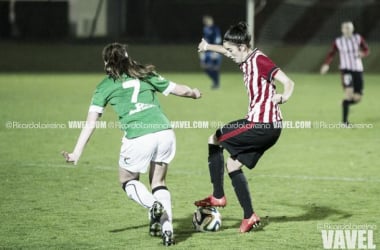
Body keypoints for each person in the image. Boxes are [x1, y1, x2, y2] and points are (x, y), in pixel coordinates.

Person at [62, 43, 201, 246]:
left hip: (138, 136)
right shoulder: (144, 73)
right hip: (164, 132)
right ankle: (167, 229)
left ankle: (153, 205)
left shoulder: (104, 86)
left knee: (127, 180)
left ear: (106, 63)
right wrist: (194, 93)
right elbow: (179, 90)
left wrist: (76, 152)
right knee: (158, 183)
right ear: (128, 58)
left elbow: (91, 123)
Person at [194, 22, 295, 233]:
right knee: (233, 165)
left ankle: (218, 196)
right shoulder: (245, 57)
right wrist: (209, 46)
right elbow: (227, 48)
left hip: (261, 125)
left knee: (214, 139)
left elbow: (288, 82)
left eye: (231, 50)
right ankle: (249, 216)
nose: (229, 54)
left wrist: (284, 97)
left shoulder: (259, 60)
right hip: (267, 127)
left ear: (242, 47)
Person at [320, 21, 369, 125]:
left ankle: (344, 104)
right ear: (342, 30)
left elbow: (366, 50)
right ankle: (344, 122)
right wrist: (326, 64)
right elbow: (331, 54)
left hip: (358, 70)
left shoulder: (358, 38)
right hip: (346, 70)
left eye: (349, 28)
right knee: (349, 93)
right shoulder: (338, 41)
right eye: (345, 28)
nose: (347, 30)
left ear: (352, 29)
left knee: (357, 98)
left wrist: (362, 53)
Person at [200, 15, 223, 89]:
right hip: (207, 51)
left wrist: (215, 51)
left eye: (208, 21)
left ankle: (217, 84)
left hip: (215, 50)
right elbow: (205, 40)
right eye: (206, 21)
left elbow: (218, 39)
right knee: (205, 67)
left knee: (215, 68)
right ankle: (215, 81)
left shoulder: (215, 29)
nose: (207, 22)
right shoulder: (205, 29)